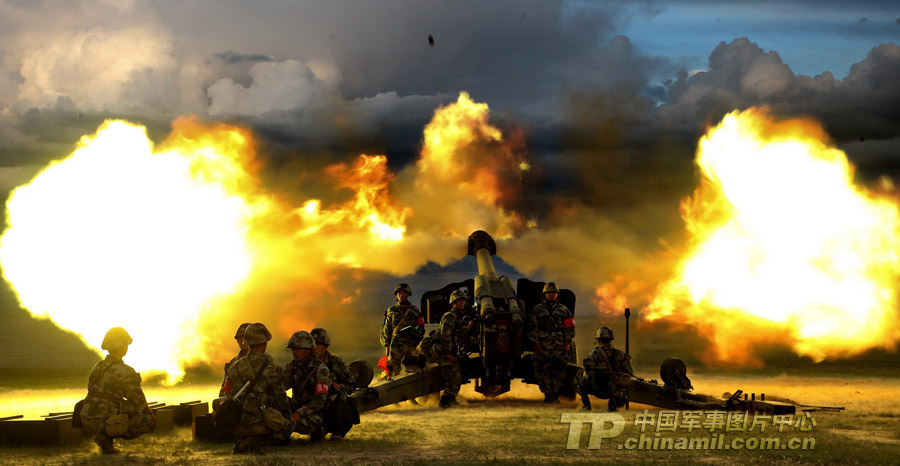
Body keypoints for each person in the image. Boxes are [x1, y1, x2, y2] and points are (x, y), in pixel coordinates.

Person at [79, 327, 156, 454]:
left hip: (87, 418)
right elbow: (138, 399)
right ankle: (109, 436)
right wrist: (152, 416)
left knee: (117, 406)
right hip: (104, 418)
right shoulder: (125, 370)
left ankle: (105, 438)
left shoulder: (98, 367)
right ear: (122, 347)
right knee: (143, 417)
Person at [222, 323, 293, 454]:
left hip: (237, 423)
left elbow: (227, 394)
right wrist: (287, 415)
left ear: (247, 343)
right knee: (288, 427)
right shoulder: (270, 367)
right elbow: (280, 397)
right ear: (264, 343)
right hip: (260, 422)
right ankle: (257, 442)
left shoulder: (233, 367)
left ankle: (244, 440)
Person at [527, 282, 575, 404]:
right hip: (543, 344)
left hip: (559, 344)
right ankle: (548, 395)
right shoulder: (537, 310)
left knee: (559, 371)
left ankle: (556, 395)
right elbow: (533, 327)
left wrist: (567, 344)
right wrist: (536, 343)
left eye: (553, 293)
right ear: (545, 295)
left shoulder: (564, 310)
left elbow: (569, 328)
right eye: (549, 293)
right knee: (543, 371)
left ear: (557, 295)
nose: (551, 295)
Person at [310, 327, 359, 438]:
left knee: (339, 401)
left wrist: (339, 387)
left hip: (333, 403)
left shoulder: (336, 363)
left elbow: (352, 385)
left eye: (317, 344)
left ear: (326, 346)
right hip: (313, 402)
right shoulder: (307, 364)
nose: (314, 348)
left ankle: (337, 430)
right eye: (311, 344)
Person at [285, 330, 332, 442]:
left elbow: (320, 400)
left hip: (315, 411)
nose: (294, 352)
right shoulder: (292, 366)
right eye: (292, 349)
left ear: (308, 349)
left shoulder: (321, 369)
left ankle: (317, 432)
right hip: (297, 405)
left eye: (297, 348)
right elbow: (283, 387)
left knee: (305, 424)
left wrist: (299, 413)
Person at [435, 290, 478, 408]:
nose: (462, 303)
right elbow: (445, 336)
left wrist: (469, 328)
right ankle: (445, 401)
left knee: (458, 374)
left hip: (448, 350)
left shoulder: (458, 317)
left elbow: (457, 333)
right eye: (459, 301)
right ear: (453, 302)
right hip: (443, 351)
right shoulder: (450, 316)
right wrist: (449, 353)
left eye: (463, 300)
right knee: (455, 375)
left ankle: (450, 398)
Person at [576, 326, 634, 412]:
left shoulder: (594, 354)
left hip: (598, 388)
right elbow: (629, 372)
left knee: (578, 376)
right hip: (615, 390)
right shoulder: (621, 354)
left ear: (598, 341)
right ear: (610, 340)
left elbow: (588, 374)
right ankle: (613, 405)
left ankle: (586, 405)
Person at [379, 283, 425, 378]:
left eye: (404, 293)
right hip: (395, 344)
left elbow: (421, 327)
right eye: (399, 293)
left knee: (412, 368)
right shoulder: (391, 310)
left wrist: (417, 338)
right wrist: (386, 345)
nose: (401, 295)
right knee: (392, 369)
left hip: (411, 344)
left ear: (408, 295)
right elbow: (386, 328)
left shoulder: (415, 310)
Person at [219, 322, 251, 398]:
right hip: (236, 404)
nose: (241, 341)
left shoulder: (264, 360)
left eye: (244, 337)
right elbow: (225, 389)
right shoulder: (233, 363)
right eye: (239, 338)